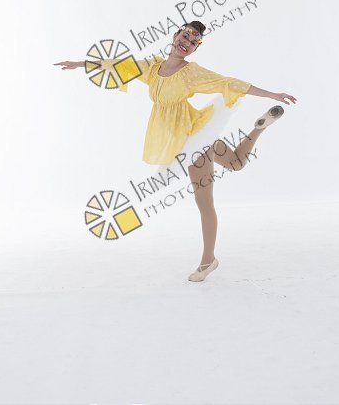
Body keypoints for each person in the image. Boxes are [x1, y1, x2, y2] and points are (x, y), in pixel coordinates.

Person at [55, 21, 297, 281]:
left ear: (195, 49)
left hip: (191, 141)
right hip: (193, 131)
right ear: (176, 35)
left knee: (204, 202)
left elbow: (228, 82)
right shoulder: (153, 68)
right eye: (185, 37)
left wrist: (272, 94)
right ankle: (259, 129)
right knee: (236, 163)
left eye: (193, 42)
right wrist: (80, 64)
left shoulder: (190, 73)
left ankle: (208, 261)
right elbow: (120, 65)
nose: (187, 43)